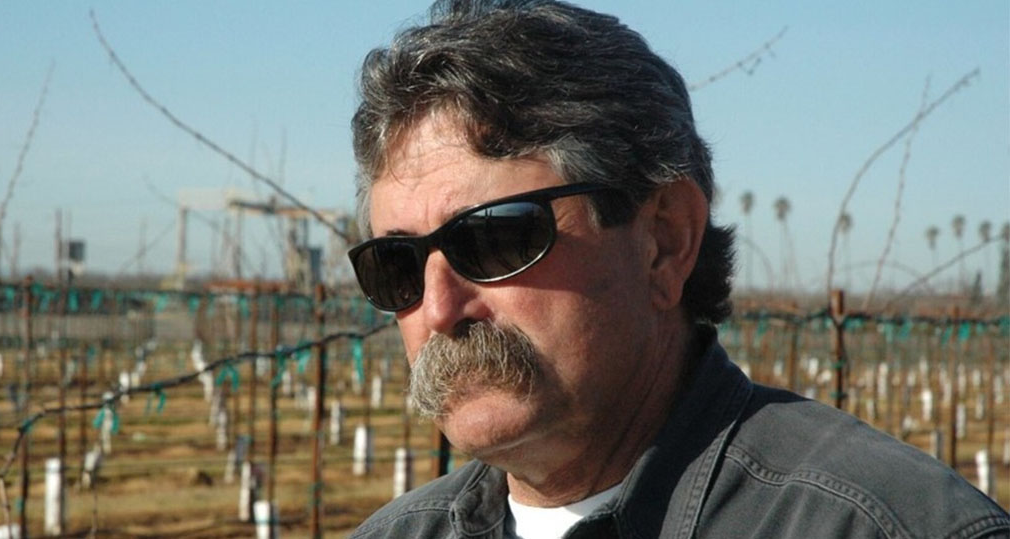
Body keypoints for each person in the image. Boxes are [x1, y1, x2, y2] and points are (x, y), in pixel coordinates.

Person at [345, 1, 1010, 537]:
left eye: (493, 239)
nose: (438, 308)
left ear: (663, 241)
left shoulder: (879, 526)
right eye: (396, 265)